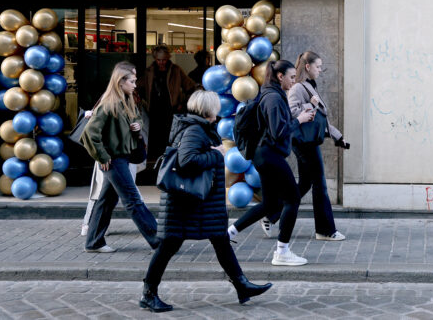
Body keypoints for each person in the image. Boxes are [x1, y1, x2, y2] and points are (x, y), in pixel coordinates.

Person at [140, 90, 272, 312]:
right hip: (186, 203)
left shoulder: (200, 127)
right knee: (168, 246)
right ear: (208, 108)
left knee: (220, 240)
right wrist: (217, 154)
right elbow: (187, 160)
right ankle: (148, 294)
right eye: (216, 104)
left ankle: (242, 285)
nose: (219, 107)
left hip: (199, 203)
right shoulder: (194, 130)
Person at [227, 60, 316, 266]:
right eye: (292, 77)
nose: (294, 81)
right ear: (280, 76)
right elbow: (278, 132)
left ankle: (229, 232)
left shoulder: (270, 94)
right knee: (293, 199)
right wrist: (300, 120)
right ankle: (282, 252)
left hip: (264, 155)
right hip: (269, 155)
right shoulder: (274, 98)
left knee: (269, 203)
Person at [81, 62, 160, 253]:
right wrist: (102, 157)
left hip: (120, 158)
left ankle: (94, 242)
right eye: (132, 81)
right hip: (114, 160)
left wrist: (137, 126)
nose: (135, 85)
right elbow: (89, 134)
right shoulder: (109, 104)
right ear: (120, 82)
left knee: (107, 200)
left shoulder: (126, 101)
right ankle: (159, 241)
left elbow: (136, 119)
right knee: (132, 199)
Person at [282, 51, 349, 241]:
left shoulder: (309, 86)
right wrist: (309, 105)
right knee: (320, 184)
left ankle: (271, 213)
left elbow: (321, 119)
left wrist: (338, 136)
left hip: (309, 140)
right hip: (304, 142)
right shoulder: (298, 88)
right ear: (307, 66)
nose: (320, 70)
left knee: (305, 183)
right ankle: (325, 230)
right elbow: (291, 113)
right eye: (318, 66)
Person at [141, 45, 198, 159]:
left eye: (164, 60)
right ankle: (155, 160)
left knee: (169, 136)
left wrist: (182, 103)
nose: (161, 63)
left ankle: (168, 159)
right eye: (159, 60)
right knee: (155, 136)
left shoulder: (176, 70)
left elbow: (190, 87)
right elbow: (139, 86)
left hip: (170, 109)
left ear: (168, 58)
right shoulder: (149, 71)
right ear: (155, 58)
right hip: (154, 109)